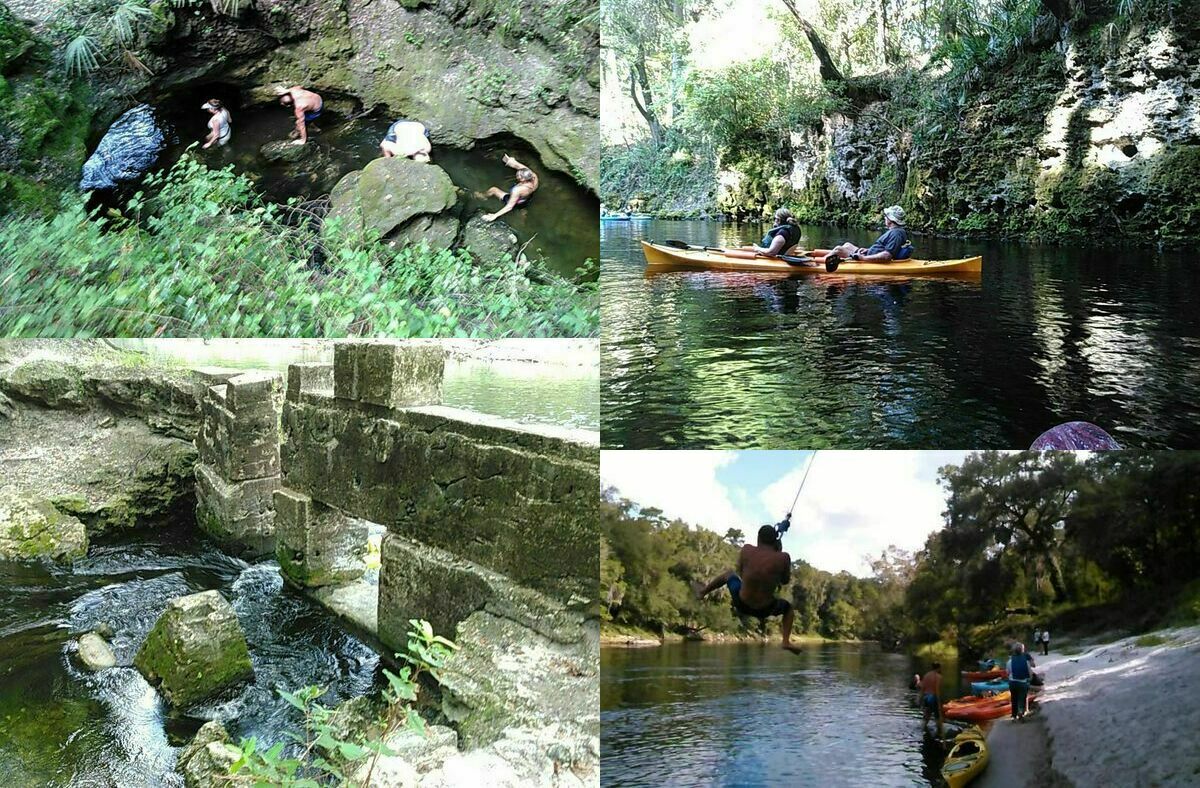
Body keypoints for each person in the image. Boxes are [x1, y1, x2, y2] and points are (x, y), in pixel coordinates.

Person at [694, 524, 801, 653]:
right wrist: (777, 554)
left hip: (741, 603)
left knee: (729, 575)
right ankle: (785, 641)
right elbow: (784, 581)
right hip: (766, 609)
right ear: (774, 541)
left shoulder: (746, 550)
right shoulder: (783, 557)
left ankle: (702, 592)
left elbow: (740, 573)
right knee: (788, 609)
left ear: (758, 538)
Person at [809, 205, 911, 270]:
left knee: (838, 249)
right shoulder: (896, 231)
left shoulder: (896, 234)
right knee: (847, 245)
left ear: (891, 220)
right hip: (870, 254)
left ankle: (816, 263)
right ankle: (821, 258)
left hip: (869, 259)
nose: (885, 218)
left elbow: (886, 256)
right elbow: (885, 248)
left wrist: (863, 258)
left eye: (886, 216)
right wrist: (867, 250)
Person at [482, 154, 538, 222]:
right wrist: (512, 162)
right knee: (522, 204)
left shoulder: (517, 190)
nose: (517, 174)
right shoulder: (534, 177)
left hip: (516, 201)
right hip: (526, 199)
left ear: (523, 179)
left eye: (518, 175)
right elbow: (521, 167)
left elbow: (509, 206)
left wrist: (494, 215)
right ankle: (522, 210)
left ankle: (482, 196)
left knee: (493, 190)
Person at [1006, 643, 1036, 721]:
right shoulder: (1025, 661)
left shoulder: (1010, 661)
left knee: (1014, 698)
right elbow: (1030, 673)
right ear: (1022, 651)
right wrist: (1030, 679)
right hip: (1022, 682)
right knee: (1022, 698)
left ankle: (1014, 715)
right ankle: (1021, 712)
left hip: (1012, 683)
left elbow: (1007, 673)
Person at [919, 663, 944, 738]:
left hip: (926, 697)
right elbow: (937, 690)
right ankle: (939, 732)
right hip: (933, 697)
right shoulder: (939, 677)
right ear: (939, 668)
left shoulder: (926, 675)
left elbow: (922, 688)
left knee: (927, 715)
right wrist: (939, 701)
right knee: (937, 716)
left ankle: (923, 728)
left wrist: (920, 698)